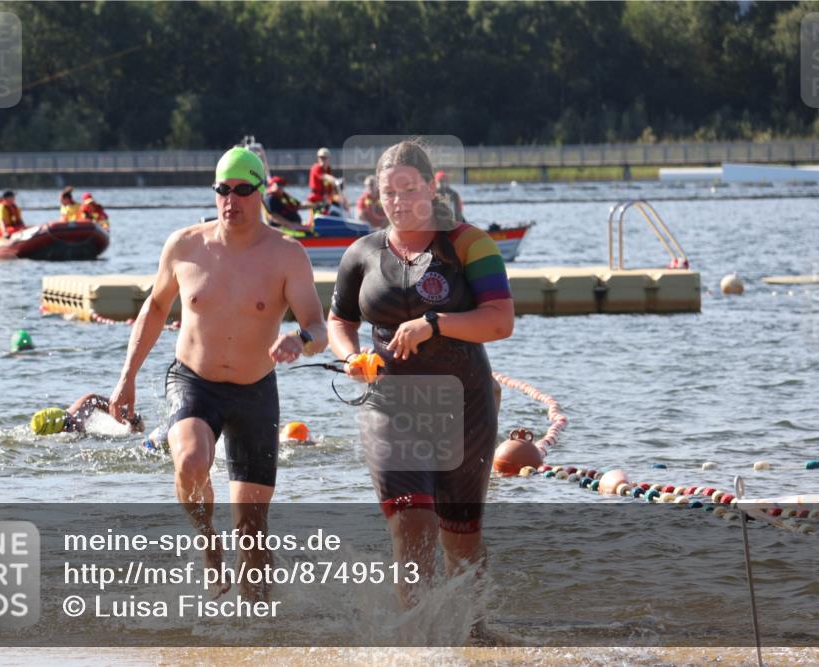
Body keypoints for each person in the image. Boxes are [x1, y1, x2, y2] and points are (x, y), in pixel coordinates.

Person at [108, 146, 328, 600]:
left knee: (252, 535)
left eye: (243, 190)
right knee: (191, 462)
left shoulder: (287, 254)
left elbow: (318, 327)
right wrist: (127, 377)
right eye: (223, 190)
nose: (232, 200)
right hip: (194, 381)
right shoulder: (185, 245)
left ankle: (260, 629)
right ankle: (208, 542)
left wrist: (300, 339)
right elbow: (154, 309)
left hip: (254, 391)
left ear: (261, 192)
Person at [326, 141, 514, 635]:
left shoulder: (469, 244)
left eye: (408, 189)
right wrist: (350, 357)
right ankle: (420, 640)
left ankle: (474, 634)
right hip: (390, 406)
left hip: (463, 405)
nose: (398, 201)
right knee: (411, 524)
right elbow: (339, 321)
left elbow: (500, 321)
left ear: (432, 188)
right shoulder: (361, 253)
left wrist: (435, 323)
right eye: (388, 192)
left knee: (461, 538)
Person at [31, 393, 143, 436]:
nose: (73, 424)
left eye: (69, 420)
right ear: (60, 431)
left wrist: (130, 417)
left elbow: (92, 398)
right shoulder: (65, 434)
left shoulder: (76, 415)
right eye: (68, 426)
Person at [307, 147, 337, 212]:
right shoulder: (316, 167)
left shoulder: (328, 170)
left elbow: (331, 186)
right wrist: (336, 181)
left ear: (329, 159)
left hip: (325, 200)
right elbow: (325, 177)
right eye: (320, 157)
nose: (322, 160)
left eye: (325, 158)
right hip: (316, 200)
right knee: (317, 216)